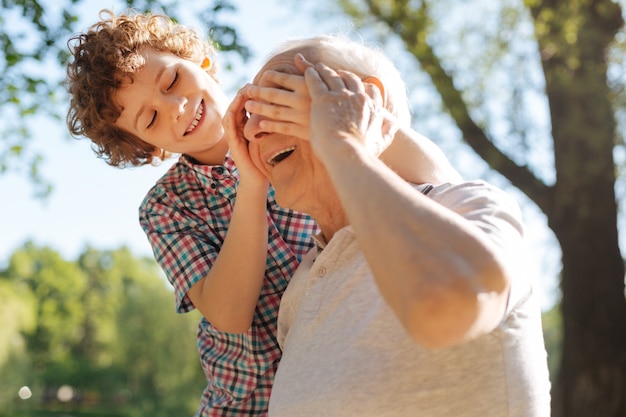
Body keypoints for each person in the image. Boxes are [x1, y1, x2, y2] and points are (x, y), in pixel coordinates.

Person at [65, 10, 460, 416]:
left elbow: (436, 180)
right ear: (148, 147)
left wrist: (343, 119)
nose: (177, 108)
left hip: (352, 374)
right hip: (249, 401)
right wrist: (251, 182)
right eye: (150, 118)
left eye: (172, 80)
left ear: (198, 59)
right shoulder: (166, 207)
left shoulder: (286, 104)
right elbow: (229, 314)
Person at [229, 35, 552, 416]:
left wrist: (345, 141)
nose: (253, 129)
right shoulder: (301, 288)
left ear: (367, 102)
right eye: (250, 113)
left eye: (280, 97)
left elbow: (443, 309)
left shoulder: (469, 206)